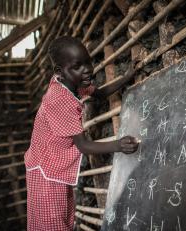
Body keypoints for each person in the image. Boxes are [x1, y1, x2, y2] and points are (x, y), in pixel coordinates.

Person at [24, 36, 139, 231]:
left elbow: (100, 94)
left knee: (66, 220)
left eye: (88, 62)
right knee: (53, 225)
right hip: (45, 175)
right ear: (60, 71)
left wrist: (127, 77)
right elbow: (83, 145)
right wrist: (118, 145)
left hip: (54, 168)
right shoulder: (58, 99)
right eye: (78, 66)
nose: (87, 69)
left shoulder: (73, 82)